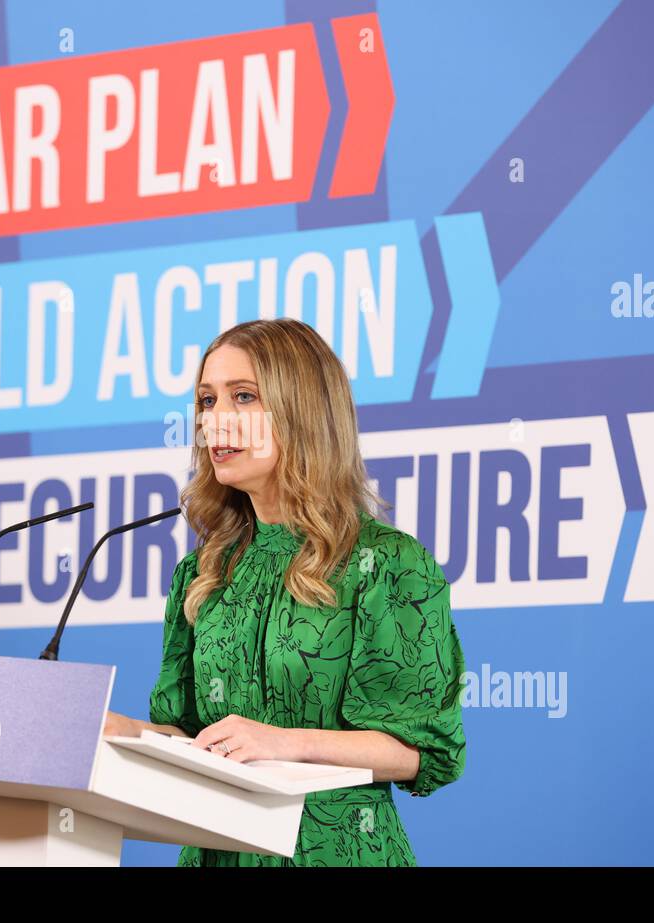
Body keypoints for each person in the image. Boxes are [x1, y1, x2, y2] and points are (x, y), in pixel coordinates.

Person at [103, 318, 466, 866]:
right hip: (218, 849)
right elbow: (197, 735)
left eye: (242, 397)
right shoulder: (202, 573)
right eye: (206, 400)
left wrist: (284, 740)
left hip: (335, 850)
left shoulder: (387, 563)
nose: (214, 420)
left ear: (303, 411)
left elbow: (420, 750)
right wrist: (127, 733)